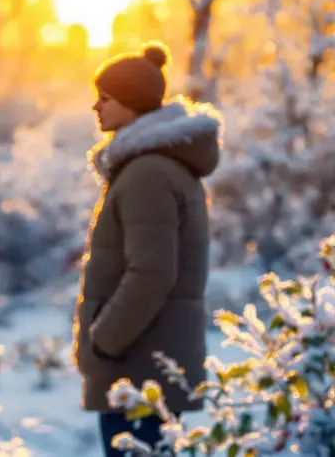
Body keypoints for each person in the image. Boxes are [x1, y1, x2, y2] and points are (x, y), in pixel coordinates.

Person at [72, 42, 223, 456]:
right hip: (145, 363)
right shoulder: (153, 166)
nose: (96, 106)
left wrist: (103, 341)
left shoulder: (148, 173)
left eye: (106, 97)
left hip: (137, 367)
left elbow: (152, 272)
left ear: (133, 102)